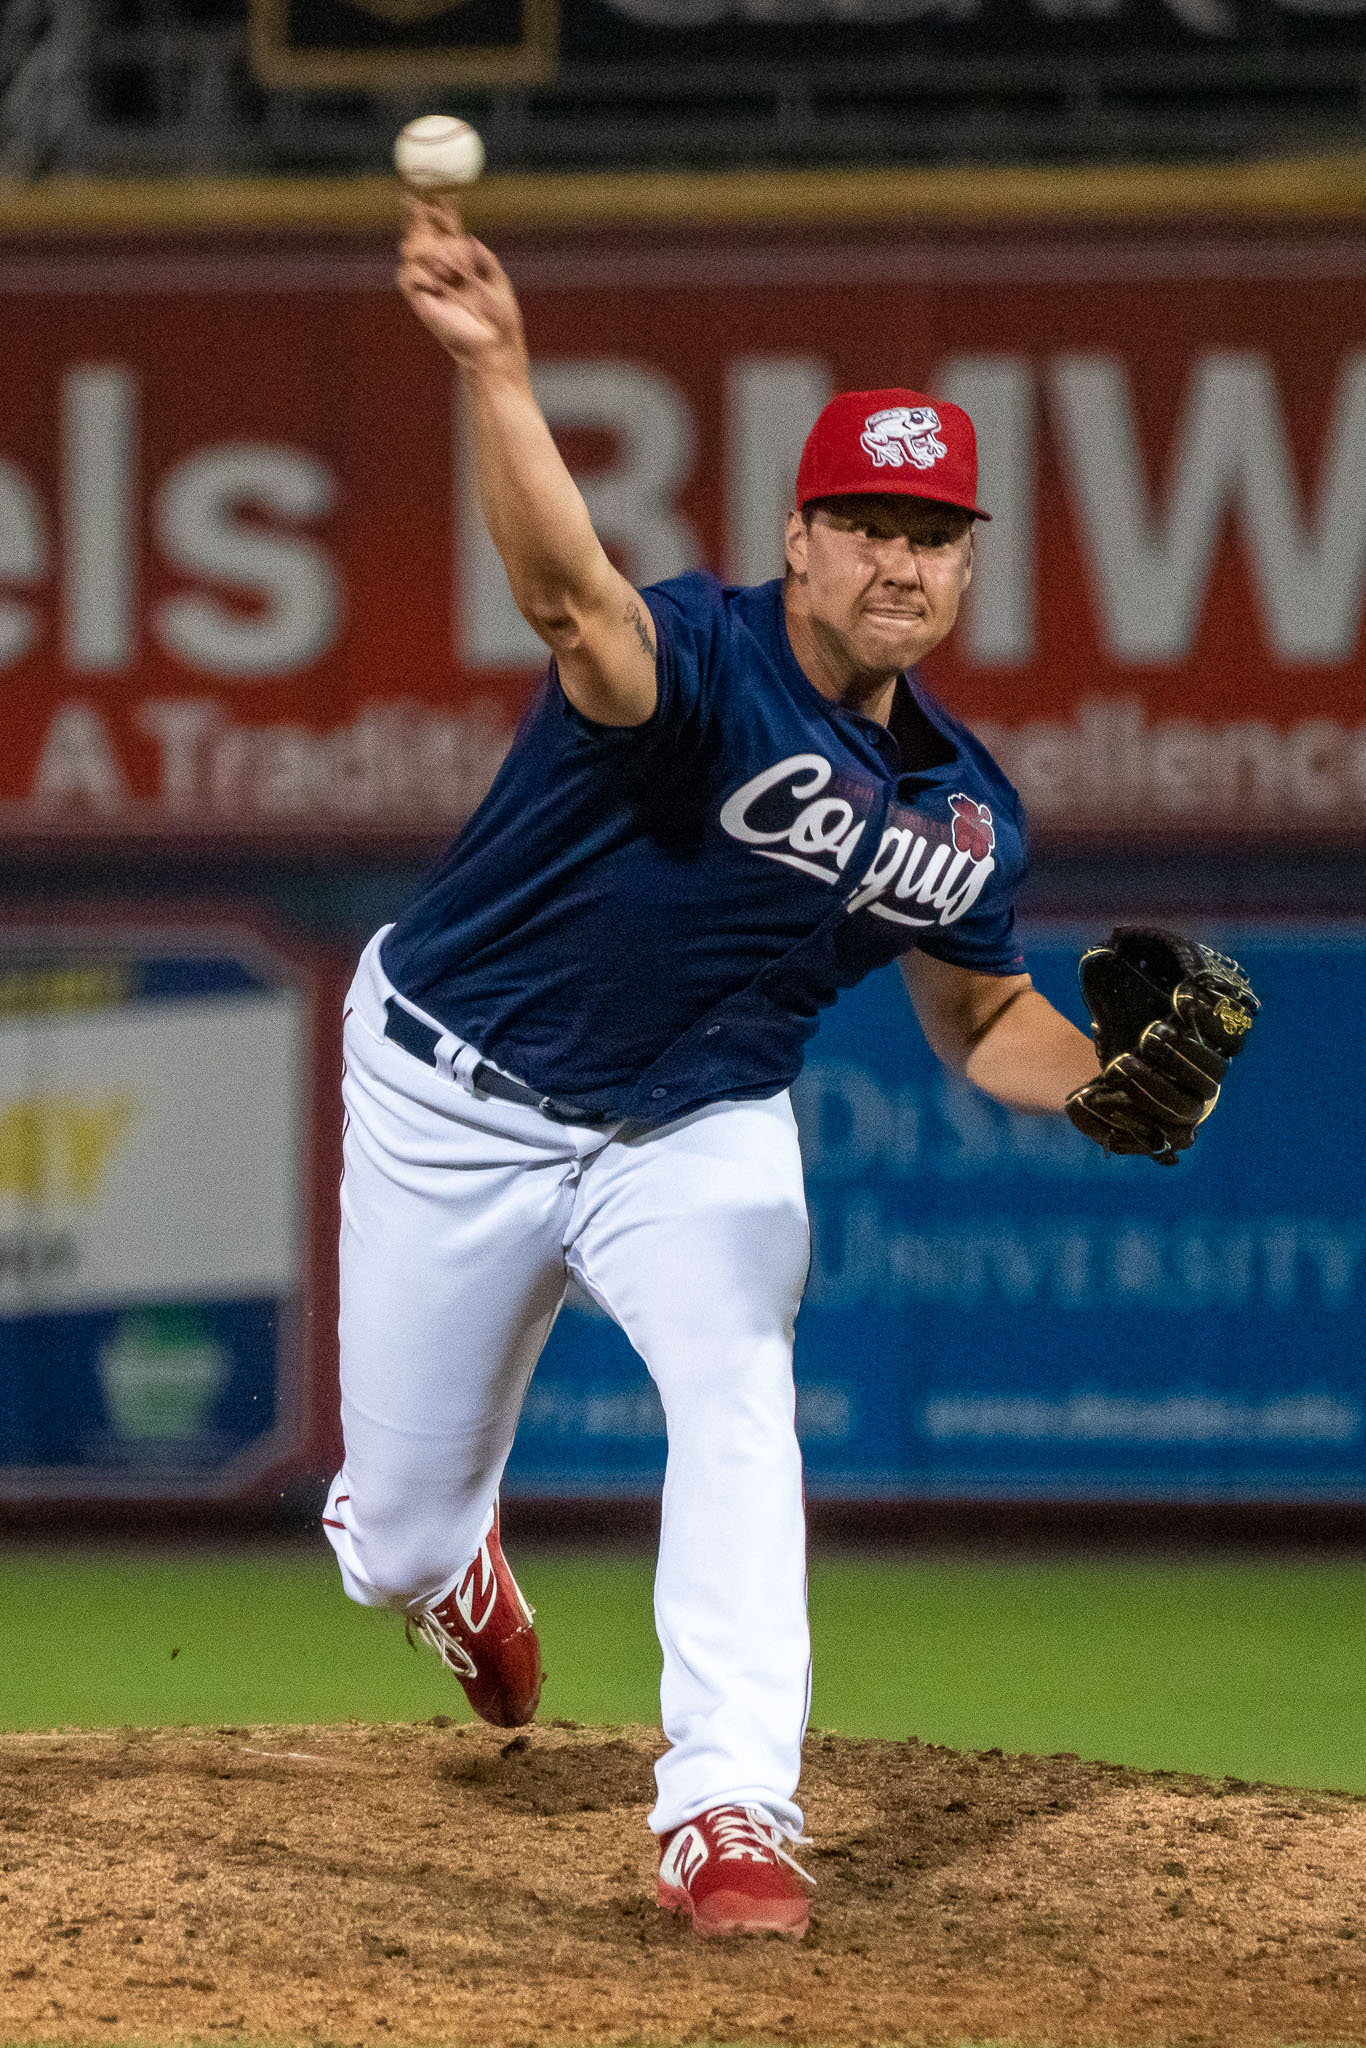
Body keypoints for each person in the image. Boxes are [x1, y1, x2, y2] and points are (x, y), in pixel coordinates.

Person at [322, 196, 1107, 1942]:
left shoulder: (963, 813)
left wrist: (1114, 1080)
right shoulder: (699, 659)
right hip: (453, 1094)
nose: (898, 562)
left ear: (966, 566)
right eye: (866, 525)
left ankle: (728, 1807)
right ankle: (447, 1569)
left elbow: (984, 1021)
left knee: (741, 1381)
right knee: (393, 1539)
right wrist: (498, 371)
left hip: (692, 1128)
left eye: (933, 534)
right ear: (797, 537)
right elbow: (564, 599)